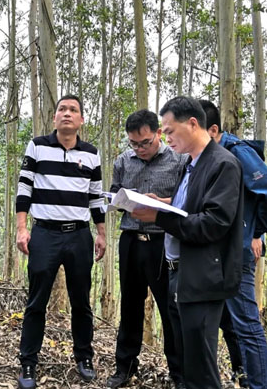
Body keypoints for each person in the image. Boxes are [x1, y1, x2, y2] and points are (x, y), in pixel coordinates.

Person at [132, 96, 244, 389]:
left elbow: (212, 224)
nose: (165, 138)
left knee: (201, 368)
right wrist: (162, 203)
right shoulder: (191, 164)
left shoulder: (223, 164)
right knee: (186, 363)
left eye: (169, 131)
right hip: (178, 275)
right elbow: (189, 206)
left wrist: (158, 216)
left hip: (203, 279)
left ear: (193, 124)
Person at [15, 94, 107, 389]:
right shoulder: (38, 146)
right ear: (54, 117)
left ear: (81, 120)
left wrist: (102, 233)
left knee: (81, 301)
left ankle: (84, 356)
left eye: (73, 110)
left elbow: (96, 196)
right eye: (62, 110)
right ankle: (28, 362)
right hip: (44, 233)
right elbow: (24, 187)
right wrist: (21, 228)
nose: (67, 114)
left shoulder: (91, 153)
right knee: (36, 301)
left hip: (79, 234)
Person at [200, 99, 267, 389]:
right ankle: (243, 378)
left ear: (213, 130)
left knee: (247, 324)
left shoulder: (238, 153)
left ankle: (260, 385)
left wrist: (256, 232)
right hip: (214, 252)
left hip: (238, 252)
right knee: (227, 322)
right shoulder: (205, 157)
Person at [106, 109, 187, 389]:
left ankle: (179, 373)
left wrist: (159, 201)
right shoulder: (123, 161)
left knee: (170, 309)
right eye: (134, 144)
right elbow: (115, 193)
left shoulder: (179, 160)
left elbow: (186, 200)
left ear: (158, 134)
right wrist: (121, 200)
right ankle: (124, 367)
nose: (139, 149)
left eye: (145, 143)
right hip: (130, 240)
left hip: (163, 243)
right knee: (129, 306)